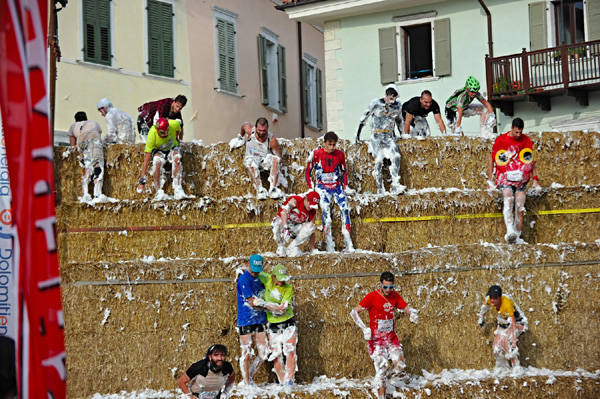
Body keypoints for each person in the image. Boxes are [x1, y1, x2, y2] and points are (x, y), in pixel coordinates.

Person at [350, 272, 418, 399]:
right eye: (385, 287)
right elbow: (353, 312)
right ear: (380, 284)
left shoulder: (394, 295)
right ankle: (381, 392)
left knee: (400, 366)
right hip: (377, 341)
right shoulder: (372, 297)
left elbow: (405, 307)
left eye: (391, 287)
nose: (388, 290)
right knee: (381, 370)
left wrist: (411, 313)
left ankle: (385, 379)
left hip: (391, 339)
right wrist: (364, 328)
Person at [487, 117, 541, 244]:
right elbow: (492, 160)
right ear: (511, 128)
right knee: (509, 202)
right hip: (505, 178)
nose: (518, 135)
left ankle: (516, 236)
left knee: (520, 208)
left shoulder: (526, 140)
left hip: (521, 179)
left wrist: (535, 180)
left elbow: (530, 161)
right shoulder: (501, 140)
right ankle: (509, 230)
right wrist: (490, 179)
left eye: (520, 132)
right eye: (516, 132)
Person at [305, 131, 354, 252]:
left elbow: (344, 171)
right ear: (324, 143)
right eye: (329, 144)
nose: (332, 147)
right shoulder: (316, 154)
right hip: (322, 187)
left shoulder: (340, 154)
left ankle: (349, 243)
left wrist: (345, 186)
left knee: (345, 209)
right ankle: (329, 245)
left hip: (336, 187)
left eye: (334, 144)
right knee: (326, 211)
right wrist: (311, 187)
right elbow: (308, 172)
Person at [356, 84, 406, 195]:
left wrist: (403, 134)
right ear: (386, 96)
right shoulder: (376, 104)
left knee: (396, 156)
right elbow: (364, 117)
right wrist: (357, 135)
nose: (391, 101)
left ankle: (395, 184)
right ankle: (380, 189)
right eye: (390, 98)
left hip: (388, 136)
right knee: (378, 162)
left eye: (394, 98)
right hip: (376, 136)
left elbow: (399, 121)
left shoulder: (398, 106)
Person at [254, 264, 297, 386]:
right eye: (279, 279)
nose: (281, 282)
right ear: (273, 276)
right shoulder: (267, 279)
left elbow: (283, 309)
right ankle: (282, 382)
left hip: (288, 324)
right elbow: (254, 271)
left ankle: (290, 381)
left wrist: (263, 304)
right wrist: (240, 273)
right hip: (273, 326)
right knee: (276, 354)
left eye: (284, 279)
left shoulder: (288, 288)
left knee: (290, 351)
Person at [236, 254, 269, 385]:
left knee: (264, 352)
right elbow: (252, 302)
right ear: (248, 264)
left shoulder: (262, 277)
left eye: (257, 270)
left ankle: (249, 377)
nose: (255, 272)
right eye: (253, 269)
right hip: (246, 319)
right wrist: (272, 306)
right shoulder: (244, 279)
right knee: (247, 352)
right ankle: (247, 383)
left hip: (260, 319)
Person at [136, 117, 189, 199]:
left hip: (172, 147)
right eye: (162, 133)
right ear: (157, 131)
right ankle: (158, 191)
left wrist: (177, 137)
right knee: (156, 161)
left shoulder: (173, 124)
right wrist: (142, 181)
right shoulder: (152, 135)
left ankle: (178, 189)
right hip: (159, 150)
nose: (165, 134)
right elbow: (146, 159)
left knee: (177, 158)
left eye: (167, 131)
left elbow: (179, 126)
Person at [478, 285, 528, 370]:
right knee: (496, 348)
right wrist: (481, 319)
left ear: (500, 297)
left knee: (506, 342)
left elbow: (513, 322)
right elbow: (484, 309)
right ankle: (502, 370)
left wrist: (514, 341)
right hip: (504, 322)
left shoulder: (507, 304)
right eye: (491, 297)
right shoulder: (489, 300)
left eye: (495, 298)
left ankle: (517, 369)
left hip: (519, 323)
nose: (492, 300)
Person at [67, 111, 105, 201]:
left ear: (76, 119)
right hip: (95, 144)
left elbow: (73, 146)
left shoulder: (73, 126)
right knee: (97, 168)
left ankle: (85, 194)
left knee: (87, 168)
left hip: (83, 145)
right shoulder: (94, 123)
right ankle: (97, 195)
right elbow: (99, 134)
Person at [244, 117, 283, 199]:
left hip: (264, 162)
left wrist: (275, 167)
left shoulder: (272, 140)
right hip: (252, 160)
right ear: (255, 128)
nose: (261, 133)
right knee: (249, 162)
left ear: (267, 129)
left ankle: (273, 189)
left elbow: (279, 158)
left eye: (264, 131)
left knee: (276, 159)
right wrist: (240, 137)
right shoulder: (250, 130)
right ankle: (260, 190)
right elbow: (243, 126)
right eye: (259, 130)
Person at [272, 191, 320, 257]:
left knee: (311, 227)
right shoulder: (295, 200)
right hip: (284, 225)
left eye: (313, 205)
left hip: (294, 228)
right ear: (306, 198)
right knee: (277, 221)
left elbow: (311, 231)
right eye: (310, 204)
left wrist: (312, 249)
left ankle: (292, 247)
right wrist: (286, 228)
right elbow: (283, 213)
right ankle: (280, 246)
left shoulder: (312, 211)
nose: (311, 207)